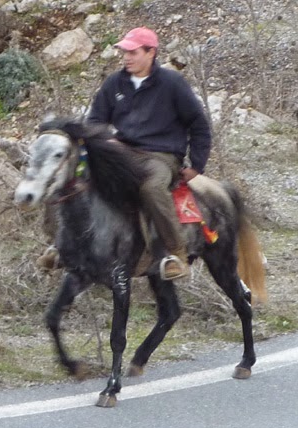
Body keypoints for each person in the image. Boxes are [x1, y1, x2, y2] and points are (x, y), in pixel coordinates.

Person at [86, 27, 212, 280]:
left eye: (133, 52)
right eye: (124, 52)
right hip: (122, 153)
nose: (126, 57)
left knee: (151, 188)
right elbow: (95, 121)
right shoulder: (114, 83)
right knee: (76, 181)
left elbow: (198, 124)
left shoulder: (172, 83)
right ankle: (63, 245)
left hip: (161, 156)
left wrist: (197, 164)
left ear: (151, 52)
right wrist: (104, 143)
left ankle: (177, 253)